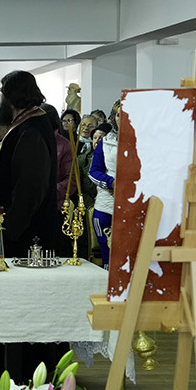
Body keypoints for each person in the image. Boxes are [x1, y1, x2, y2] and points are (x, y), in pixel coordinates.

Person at [0, 70, 63, 381]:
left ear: (13, 96)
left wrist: (6, 235)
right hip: (23, 237)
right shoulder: (27, 126)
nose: (0, 99)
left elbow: (29, 192)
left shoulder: (30, 130)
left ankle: (25, 376)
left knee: (26, 313)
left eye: (2, 93)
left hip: (28, 242)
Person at [90, 101, 121, 269]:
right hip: (106, 204)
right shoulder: (105, 141)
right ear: (113, 118)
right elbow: (93, 171)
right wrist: (111, 182)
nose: (122, 118)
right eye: (118, 115)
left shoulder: (143, 142)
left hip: (133, 202)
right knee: (107, 253)